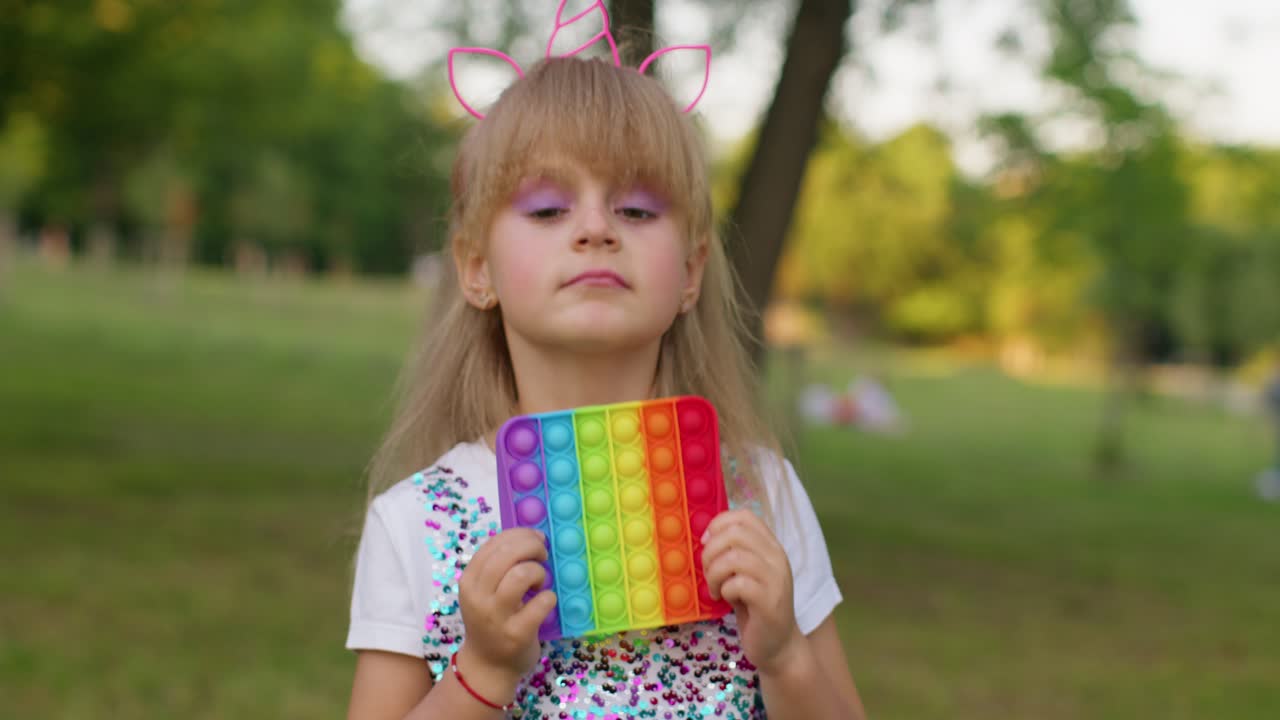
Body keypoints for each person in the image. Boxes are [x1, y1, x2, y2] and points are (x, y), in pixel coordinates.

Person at [344, 9, 865, 719]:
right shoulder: (417, 522)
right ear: (475, 269)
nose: (595, 229)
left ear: (691, 272)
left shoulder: (761, 497)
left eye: (638, 210)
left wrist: (784, 655)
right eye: (550, 208)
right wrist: (483, 670)